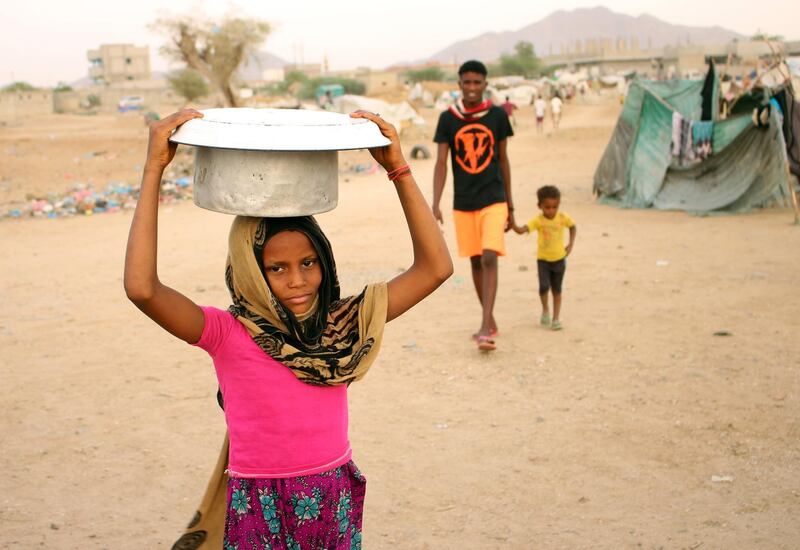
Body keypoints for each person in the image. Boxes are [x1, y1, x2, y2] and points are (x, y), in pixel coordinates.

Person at [124, 108, 452, 548]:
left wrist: (398, 168)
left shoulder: (341, 325)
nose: (297, 280)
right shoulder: (226, 332)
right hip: (257, 505)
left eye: (308, 262)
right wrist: (153, 169)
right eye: (276, 268)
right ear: (249, 270)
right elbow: (143, 288)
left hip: (331, 498)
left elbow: (436, 267)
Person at [431, 59, 514, 352]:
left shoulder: (497, 117)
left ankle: (483, 326)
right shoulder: (448, 119)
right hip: (463, 202)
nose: (471, 88)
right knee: (476, 261)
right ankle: (489, 321)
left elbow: (503, 160)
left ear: (485, 84)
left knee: (490, 257)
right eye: (466, 82)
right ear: (459, 85)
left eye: (477, 82)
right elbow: (441, 162)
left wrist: (511, 208)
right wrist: (435, 202)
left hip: (494, 198)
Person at [512, 185, 576, 331]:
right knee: (543, 288)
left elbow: (573, 227)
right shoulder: (538, 221)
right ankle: (545, 309)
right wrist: (513, 223)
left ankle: (556, 318)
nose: (551, 210)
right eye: (547, 207)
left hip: (559, 259)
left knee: (557, 290)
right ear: (539, 206)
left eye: (555, 207)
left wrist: (570, 244)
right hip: (543, 261)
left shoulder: (562, 218)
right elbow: (522, 230)